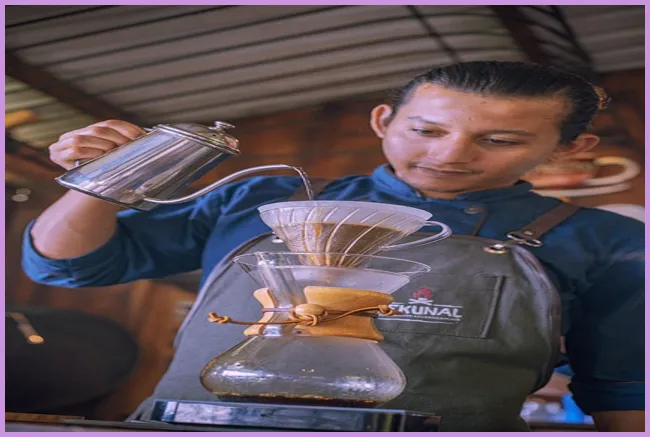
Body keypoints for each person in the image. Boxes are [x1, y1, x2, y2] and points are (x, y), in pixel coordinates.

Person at [23, 61, 644, 431]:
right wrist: (103, 179)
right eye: (425, 130)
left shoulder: (604, 240)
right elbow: (70, 266)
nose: (450, 154)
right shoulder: (265, 196)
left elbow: (625, 388)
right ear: (382, 121)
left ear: (571, 148)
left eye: (500, 140)